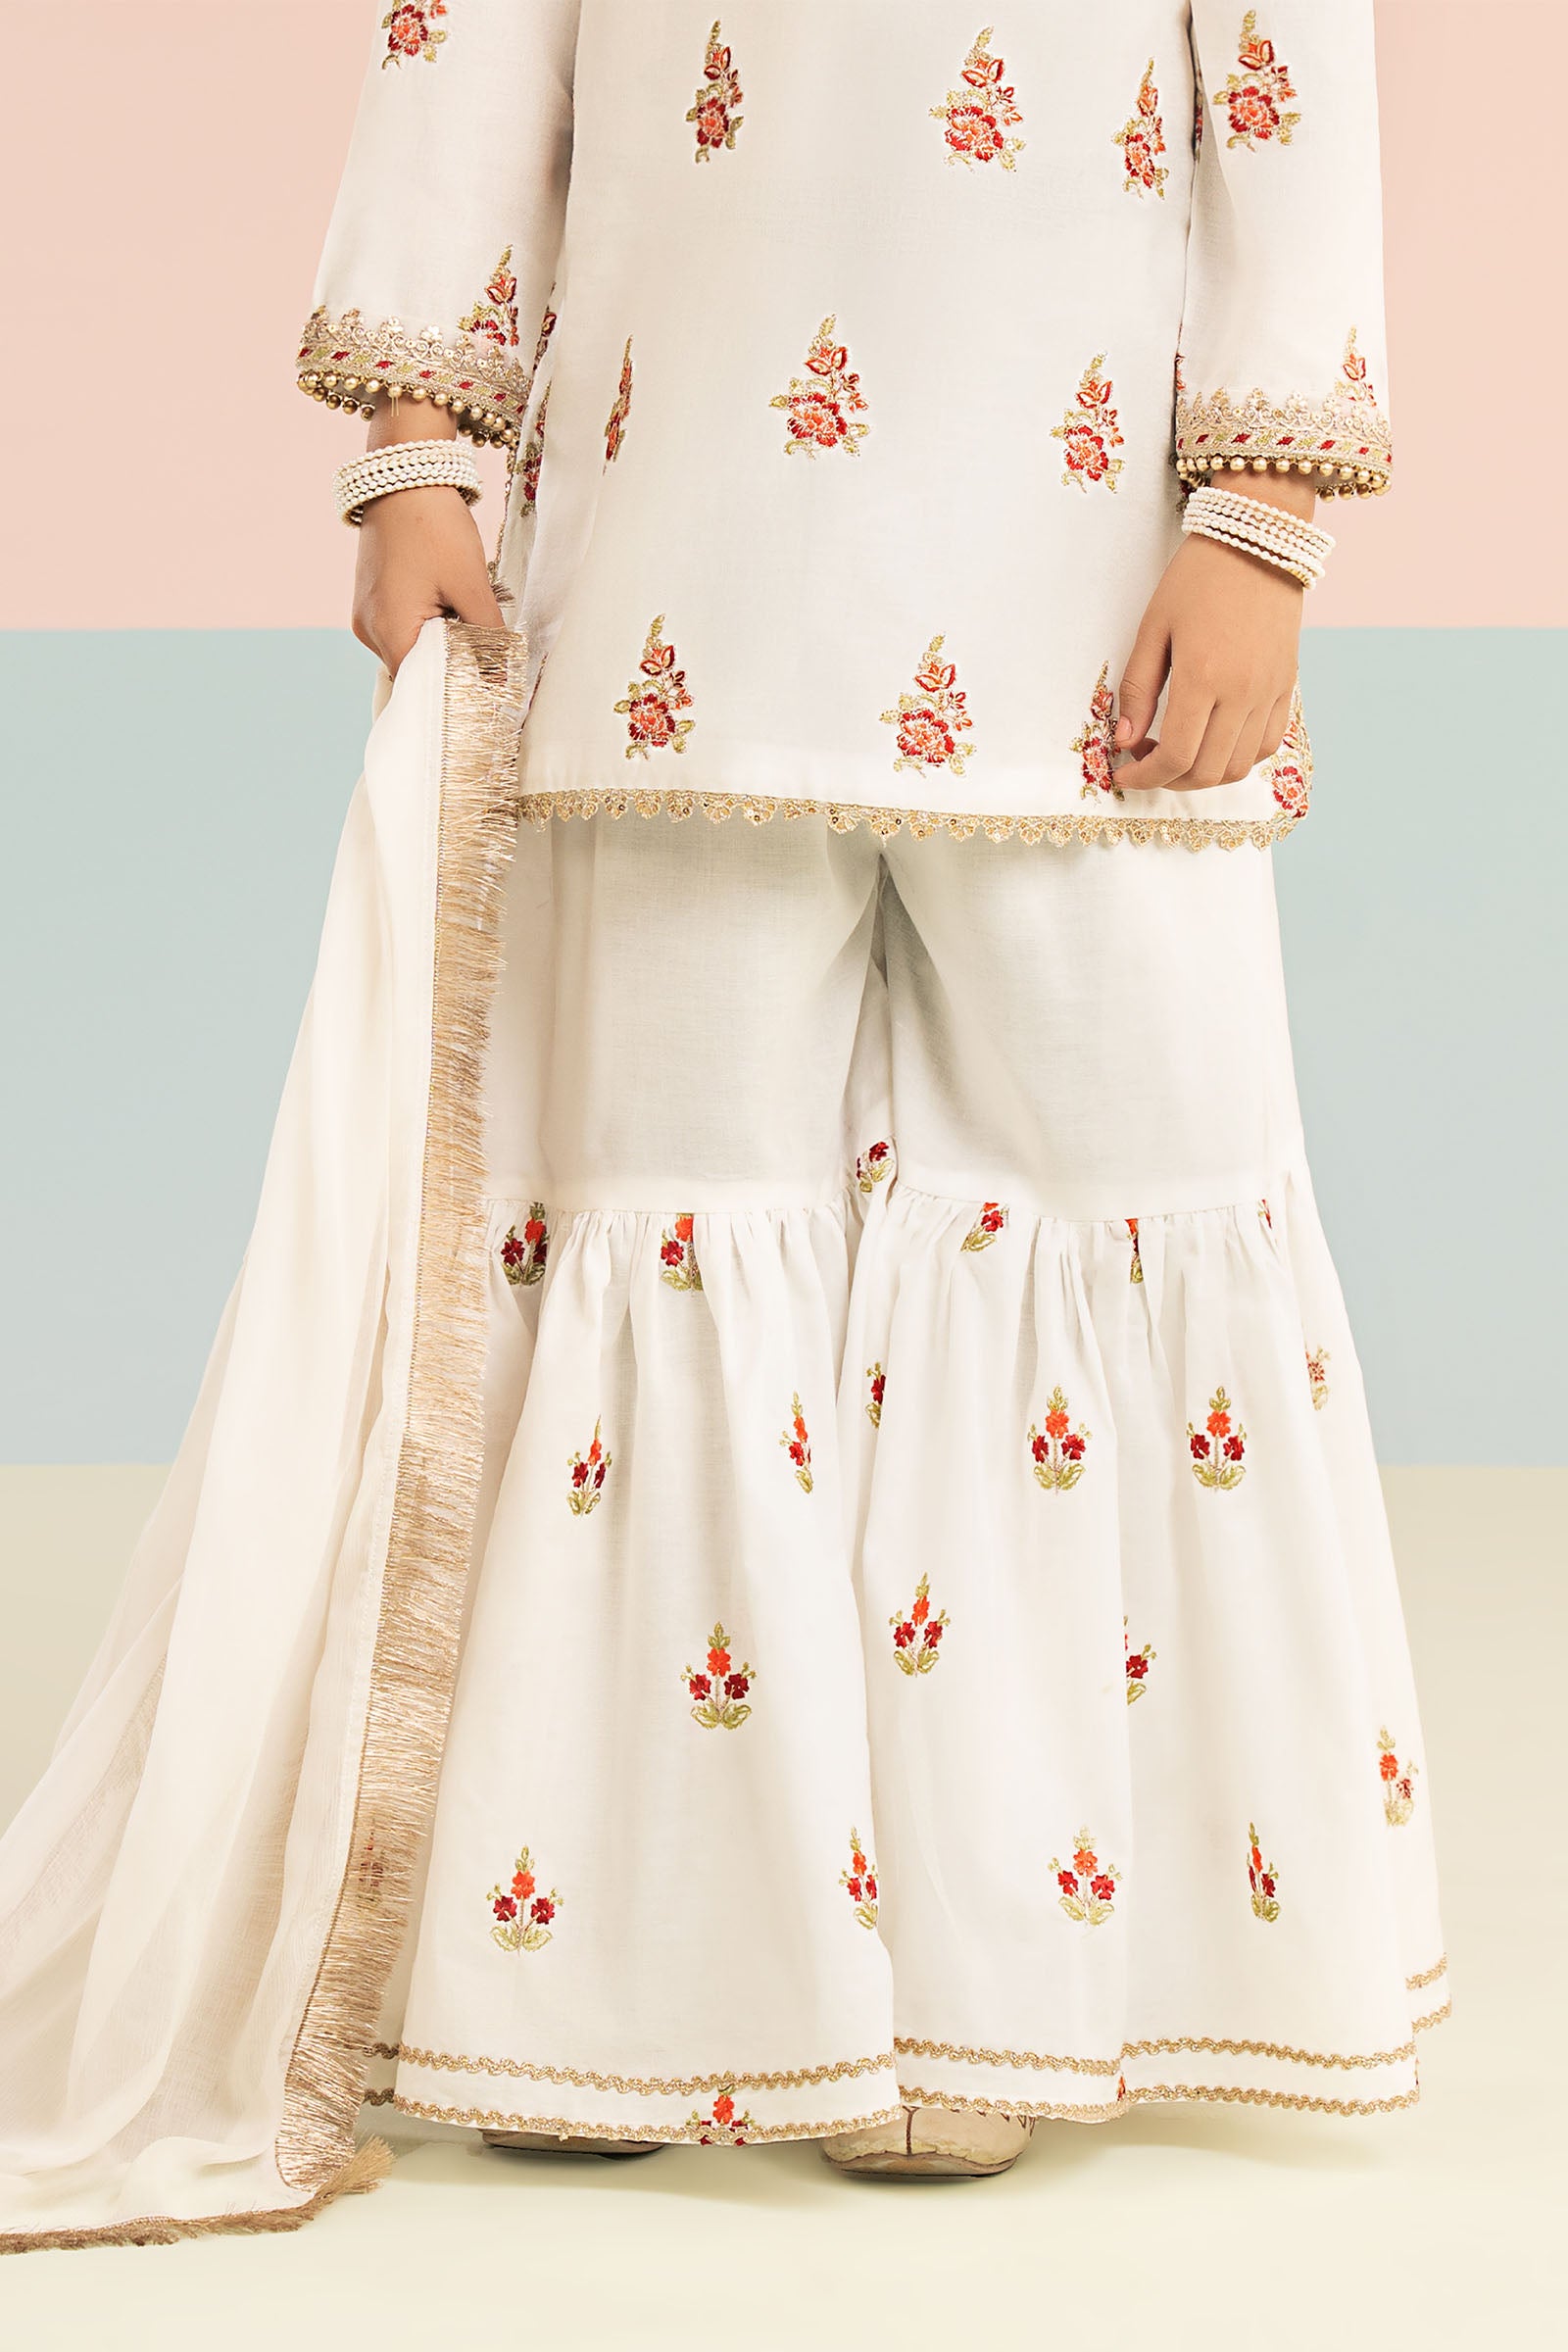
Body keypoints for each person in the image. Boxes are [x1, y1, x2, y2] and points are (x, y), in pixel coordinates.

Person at [0, 3, 1446, 2248]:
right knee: (662, 1198)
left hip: (1089, 579)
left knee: (1100, 1183)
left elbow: (1284, 67)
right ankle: (597, 1981)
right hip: (674, 542)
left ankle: (995, 1987)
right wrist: (412, 450)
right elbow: (473, 39)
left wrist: (1258, 522)